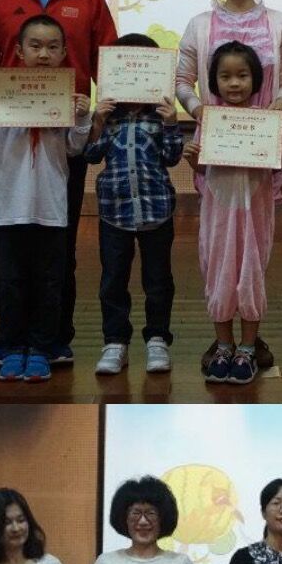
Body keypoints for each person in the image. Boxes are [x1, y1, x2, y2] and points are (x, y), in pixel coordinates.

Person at [0, 0, 118, 367]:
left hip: (64, 142)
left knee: (59, 242)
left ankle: (53, 338)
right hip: (9, 141)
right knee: (11, 241)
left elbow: (110, 61)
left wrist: (102, 115)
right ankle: (10, 337)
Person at [176, 0, 282, 376]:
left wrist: (272, 115)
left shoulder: (281, 23)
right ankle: (225, 342)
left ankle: (246, 344)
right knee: (216, 250)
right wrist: (203, 114)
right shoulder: (198, 25)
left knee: (254, 251)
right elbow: (182, 82)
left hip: (260, 152)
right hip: (217, 152)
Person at [0, 15, 91, 382]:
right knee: (11, 280)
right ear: (19, 51)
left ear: (64, 53)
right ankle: (11, 343)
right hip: (10, 208)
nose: (44, 54)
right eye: (35, 46)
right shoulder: (2, 95)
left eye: (53, 47)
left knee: (49, 281)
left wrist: (82, 118)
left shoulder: (66, 98)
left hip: (51, 208)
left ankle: (41, 347)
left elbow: (74, 148)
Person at [185, 42, 282, 384]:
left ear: (256, 79)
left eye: (242, 75)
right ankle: (223, 346)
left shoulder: (267, 121)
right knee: (218, 275)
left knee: (251, 274)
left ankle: (247, 348)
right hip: (218, 216)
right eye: (225, 76)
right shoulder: (210, 120)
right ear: (214, 81)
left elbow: (274, 168)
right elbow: (203, 170)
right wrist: (192, 159)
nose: (234, 83)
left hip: (255, 216)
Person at [84, 34, 184, 376]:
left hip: (157, 210)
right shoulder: (109, 116)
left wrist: (172, 124)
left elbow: (172, 157)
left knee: (158, 280)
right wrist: (97, 121)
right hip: (114, 211)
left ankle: (157, 339)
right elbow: (90, 154)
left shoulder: (159, 116)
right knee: (113, 279)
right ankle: (115, 341)